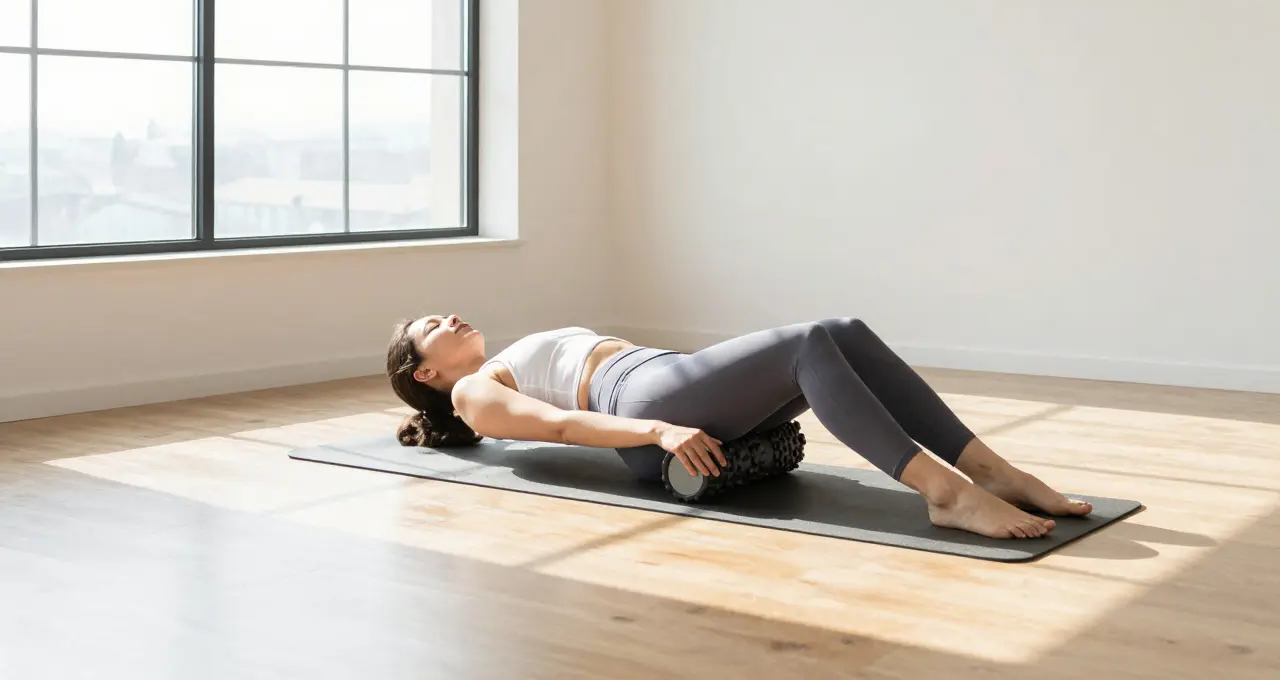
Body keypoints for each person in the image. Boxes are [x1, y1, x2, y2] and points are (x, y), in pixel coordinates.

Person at [386, 315, 1092, 540]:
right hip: (639, 400)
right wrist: (659, 434)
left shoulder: (498, 360)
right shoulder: (477, 390)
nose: (449, 319)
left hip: (666, 376)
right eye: (431, 329)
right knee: (810, 341)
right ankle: (947, 492)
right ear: (426, 374)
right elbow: (564, 426)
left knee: (840, 332)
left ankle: (992, 470)